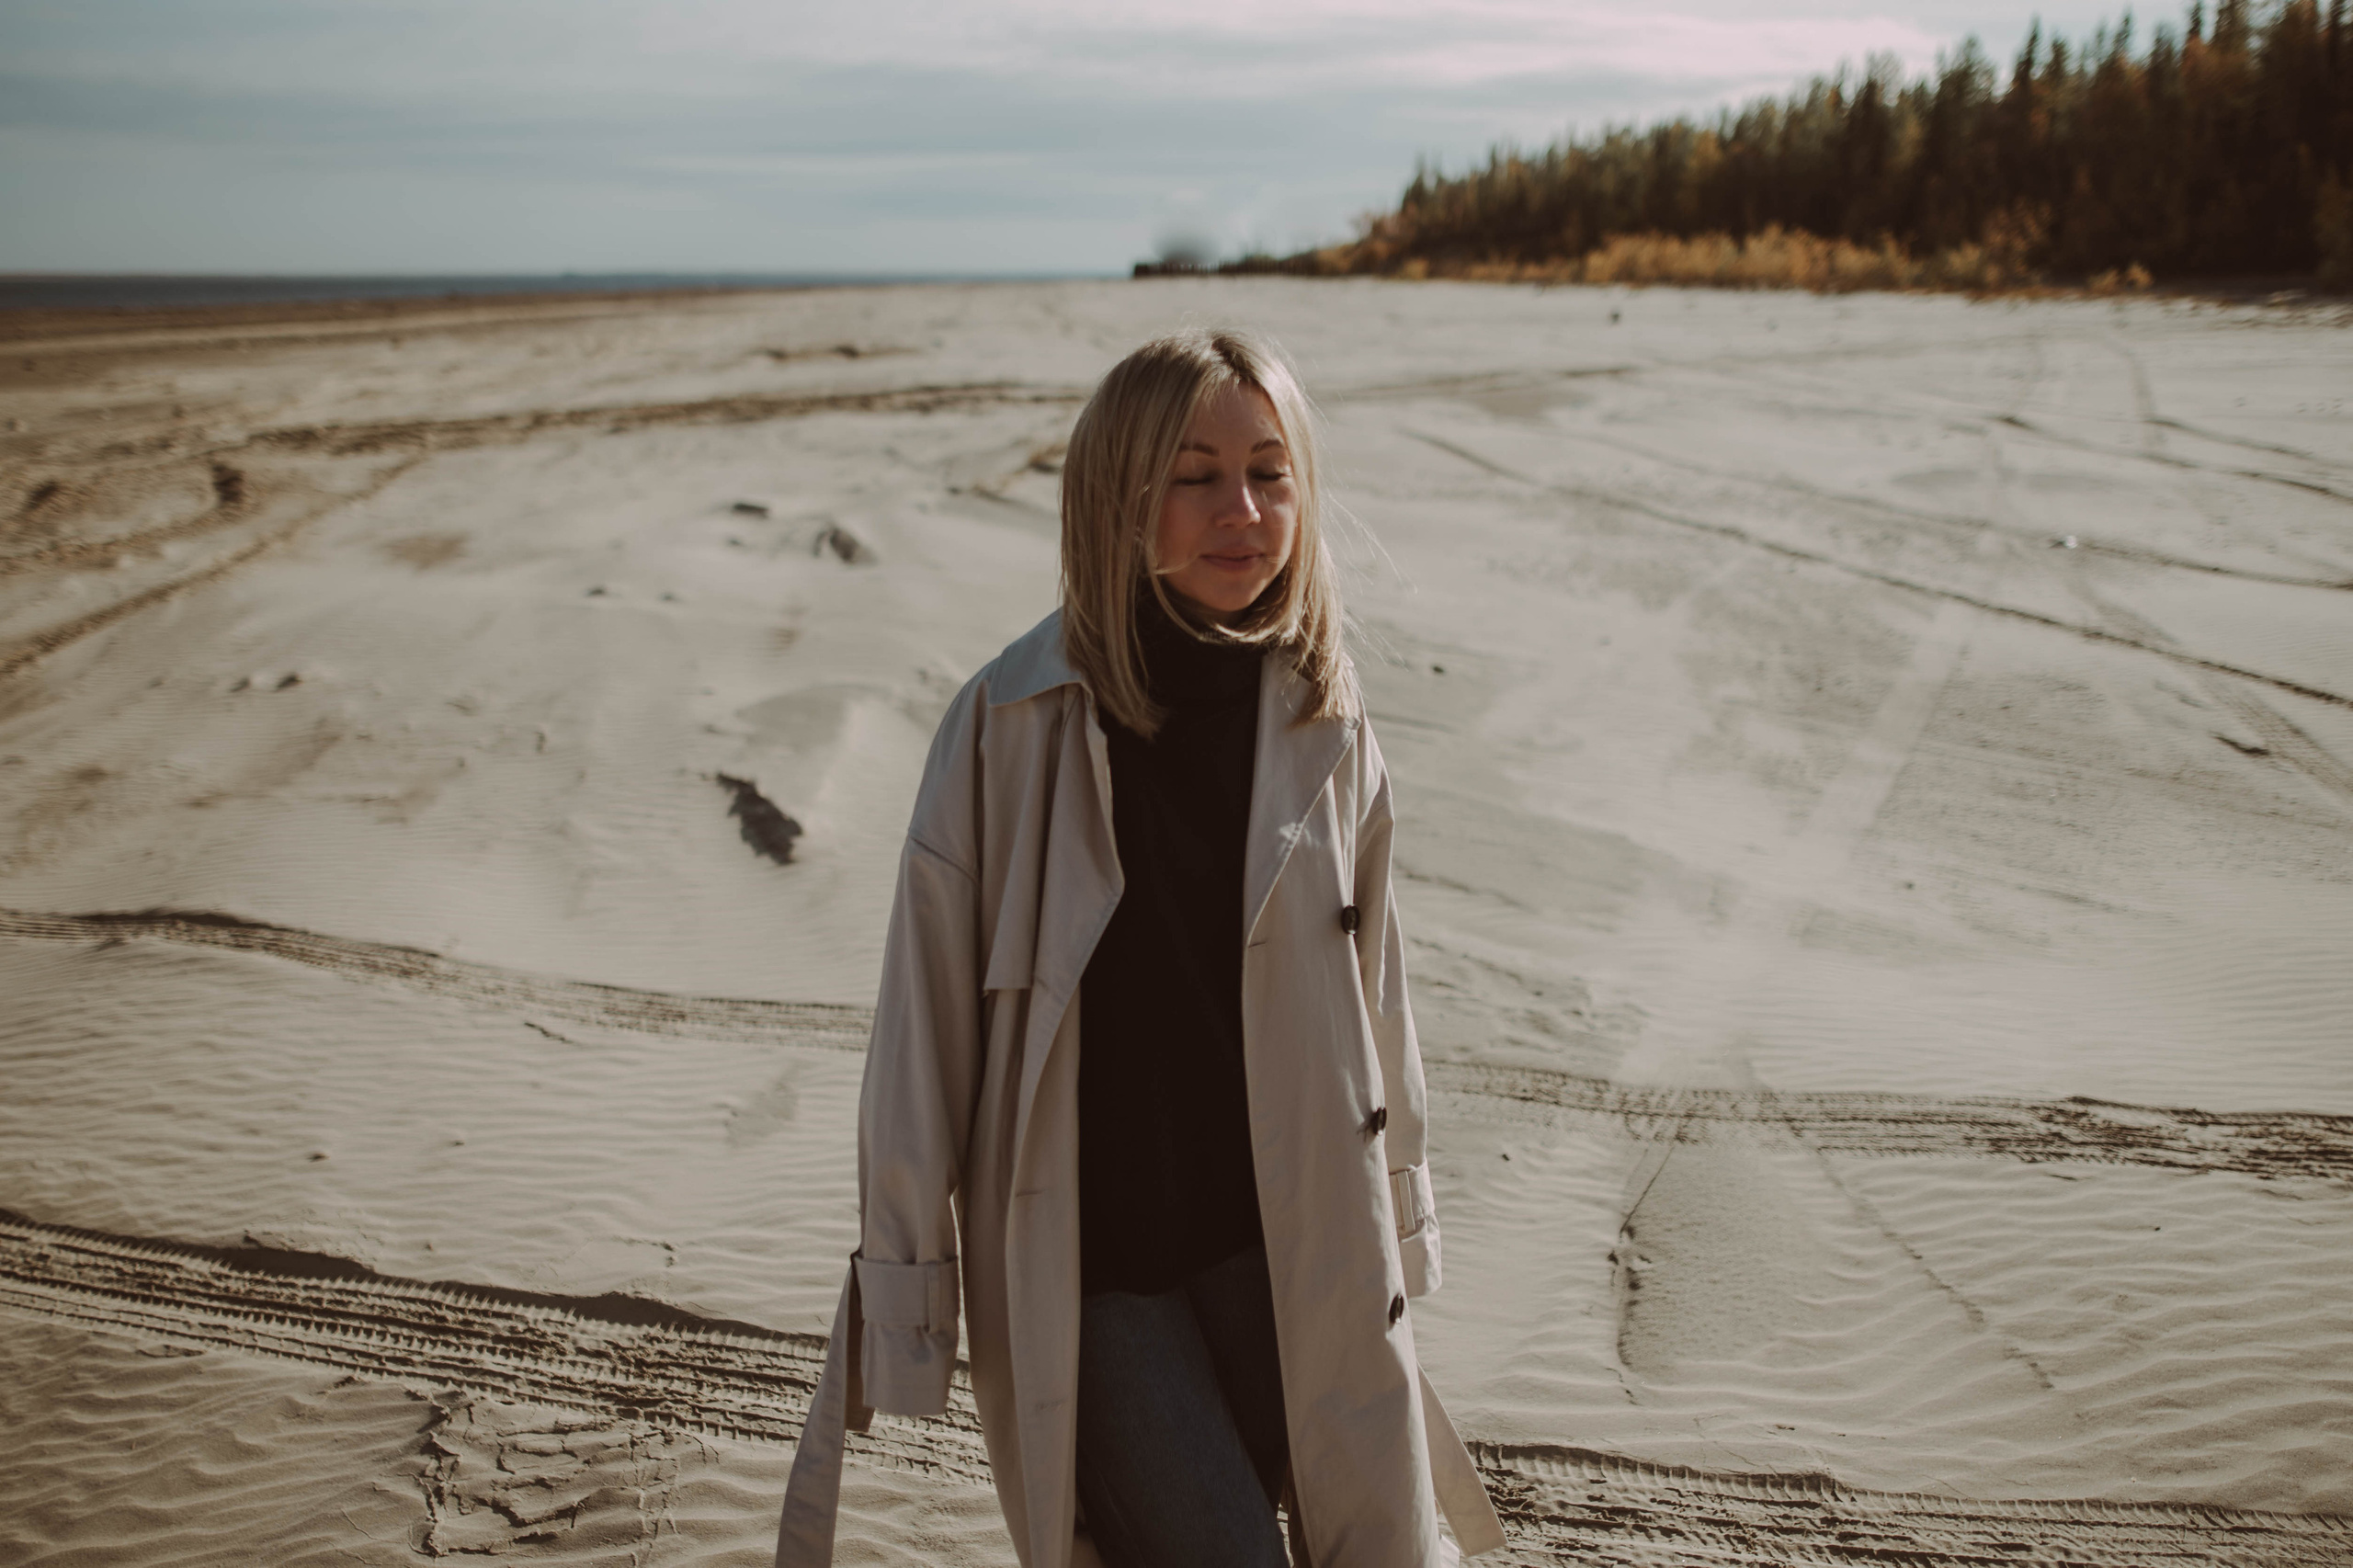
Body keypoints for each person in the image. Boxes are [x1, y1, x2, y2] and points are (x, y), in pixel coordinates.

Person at [775, 329, 1504, 1568]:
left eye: (1270, 473)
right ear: (1117, 494)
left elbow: (1376, 992)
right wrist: (906, 1293)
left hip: (1295, 1244)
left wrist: (1401, 1214)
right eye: (1195, 476)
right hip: (1095, 1275)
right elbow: (921, 1032)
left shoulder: (1325, 714)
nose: (1242, 510)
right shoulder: (1007, 725)